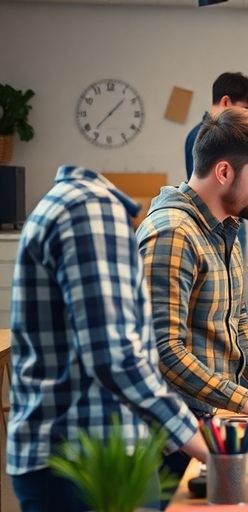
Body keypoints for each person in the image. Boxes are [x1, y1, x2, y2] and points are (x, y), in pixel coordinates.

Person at [7, 166, 207, 512]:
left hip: (83, 454)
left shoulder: (74, 203)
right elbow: (115, 355)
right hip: (86, 461)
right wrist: (199, 442)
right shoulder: (93, 212)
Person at [138, 108, 248, 477]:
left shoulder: (226, 228)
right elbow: (163, 351)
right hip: (175, 437)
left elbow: (238, 323)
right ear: (224, 172)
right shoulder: (173, 233)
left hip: (215, 419)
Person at [185, 72, 248, 249]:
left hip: (227, 222)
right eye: (246, 108)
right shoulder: (206, 137)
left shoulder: (203, 134)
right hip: (217, 225)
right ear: (226, 102)